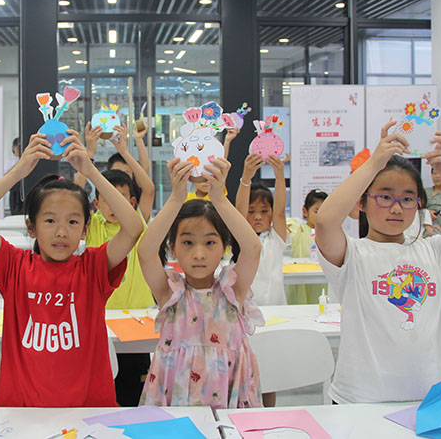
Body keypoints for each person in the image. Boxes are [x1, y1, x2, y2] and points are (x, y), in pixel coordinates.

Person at [314, 121, 441, 403]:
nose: (396, 207)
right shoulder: (352, 254)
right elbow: (325, 221)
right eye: (384, 197)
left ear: (419, 205)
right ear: (362, 203)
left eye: (407, 199)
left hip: (430, 399)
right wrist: (373, 165)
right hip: (361, 399)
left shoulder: (435, 252)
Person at [0, 131, 144, 407]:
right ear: (31, 227)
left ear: (85, 229)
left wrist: (90, 171)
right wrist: (18, 172)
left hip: (87, 412)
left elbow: (133, 228)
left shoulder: (93, 268)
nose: (61, 232)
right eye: (49, 221)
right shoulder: (15, 266)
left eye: (72, 222)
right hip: (25, 414)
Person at [137, 156, 264, 409]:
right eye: (187, 242)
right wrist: (176, 197)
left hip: (228, 405)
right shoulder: (170, 292)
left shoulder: (232, 290)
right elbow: (145, 251)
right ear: (173, 247)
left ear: (224, 247)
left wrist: (219, 198)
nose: (198, 254)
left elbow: (253, 248)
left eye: (209, 242)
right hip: (177, 408)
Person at [86, 168, 154, 406]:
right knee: (103, 390)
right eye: (107, 199)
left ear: (132, 202)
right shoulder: (92, 225)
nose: (113, 206)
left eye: (120, 198)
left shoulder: (137, 225)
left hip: (137, 319)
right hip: (101, 319)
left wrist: (125, 150)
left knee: (134, 393)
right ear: (96, 204)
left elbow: (149, 189)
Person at [235, 153, 290, 306]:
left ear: (271, 213)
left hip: (276, 308)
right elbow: (239, 210)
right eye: (251, 211)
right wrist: (246, 178)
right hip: (245, 309)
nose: (258, 217)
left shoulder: (276, 238)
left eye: (264, 211)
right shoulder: (242, 238)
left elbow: (280, 211)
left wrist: (280, 176)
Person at [285, 189, 328, 305]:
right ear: (305, 211)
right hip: (299, 277)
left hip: (319, 279)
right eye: (316, 211)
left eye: (325, 212)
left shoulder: (329, 234)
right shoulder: (299, 229)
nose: (321, 216)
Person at [5, 137, 23, 215]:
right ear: (13, 147)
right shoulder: (9, 160)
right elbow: (6, 174)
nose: (18, 149)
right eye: (17, 147)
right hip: (13, 187)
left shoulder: (25, 158)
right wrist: (18, 164)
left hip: (22, 186)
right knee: (14, 210)